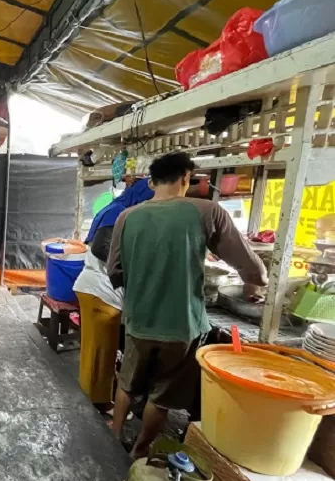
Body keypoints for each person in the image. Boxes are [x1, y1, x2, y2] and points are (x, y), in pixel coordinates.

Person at [107, 152, 267, 459]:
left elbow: (114, 270)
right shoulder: (207, 211)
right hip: (182, 325)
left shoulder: (127, 217)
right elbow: (248, 264)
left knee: (127, 382)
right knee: (162, 394)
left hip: (139, 319)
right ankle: (140, 451)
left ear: (151, 182)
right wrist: (254, 284)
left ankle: (113, 439)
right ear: (185, 178)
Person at [74, 179, 154, 409]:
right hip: (102, 293)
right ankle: (98, 405)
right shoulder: (118, 212)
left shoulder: (116, 208)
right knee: (101, 355)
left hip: (95, 290)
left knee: (95, 352)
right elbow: (101, 248)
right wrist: (131, 270)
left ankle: (92, 397)